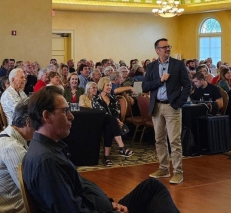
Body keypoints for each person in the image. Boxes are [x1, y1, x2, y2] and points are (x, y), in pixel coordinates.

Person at [23, 87, 180, 213]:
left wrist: (109, 204)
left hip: (101, 207)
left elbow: (80, 188)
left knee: (152, 187)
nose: (71, 116)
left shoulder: (47, 149)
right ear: (46, 116)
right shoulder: (47, 161)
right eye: (65, 111)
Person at [142, 38, 191, 184]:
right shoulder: (151, 67)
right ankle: (163, 168)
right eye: (164, 47)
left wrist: (179, 102)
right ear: (157, 50)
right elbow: (145, 87)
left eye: (168, 47)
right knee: (159, 139)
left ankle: (178, 172)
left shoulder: (178, 65)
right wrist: (160, 81)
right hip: (157, 106)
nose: (167, 49)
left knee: (174, 141)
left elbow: (187, 85)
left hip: (172, 106)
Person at [0, 99, 34, 212]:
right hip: (9, 209)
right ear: (28, 122)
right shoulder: (11, 147)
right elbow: (32, 191)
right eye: (40, 121)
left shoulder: (9, 136)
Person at [92, 77, 133, 166]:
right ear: (102, 86)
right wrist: (116, 120)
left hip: (110, 124)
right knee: (110, 120)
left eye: (110, 85)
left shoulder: (114, 98)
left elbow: (116, 113)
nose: (110, 87)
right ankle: (121, 147)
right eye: (107, 85)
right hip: (100, 123)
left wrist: (116, 119)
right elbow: (102, 113)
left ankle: (107, 157)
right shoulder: (96, 99)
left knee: (109, 127)